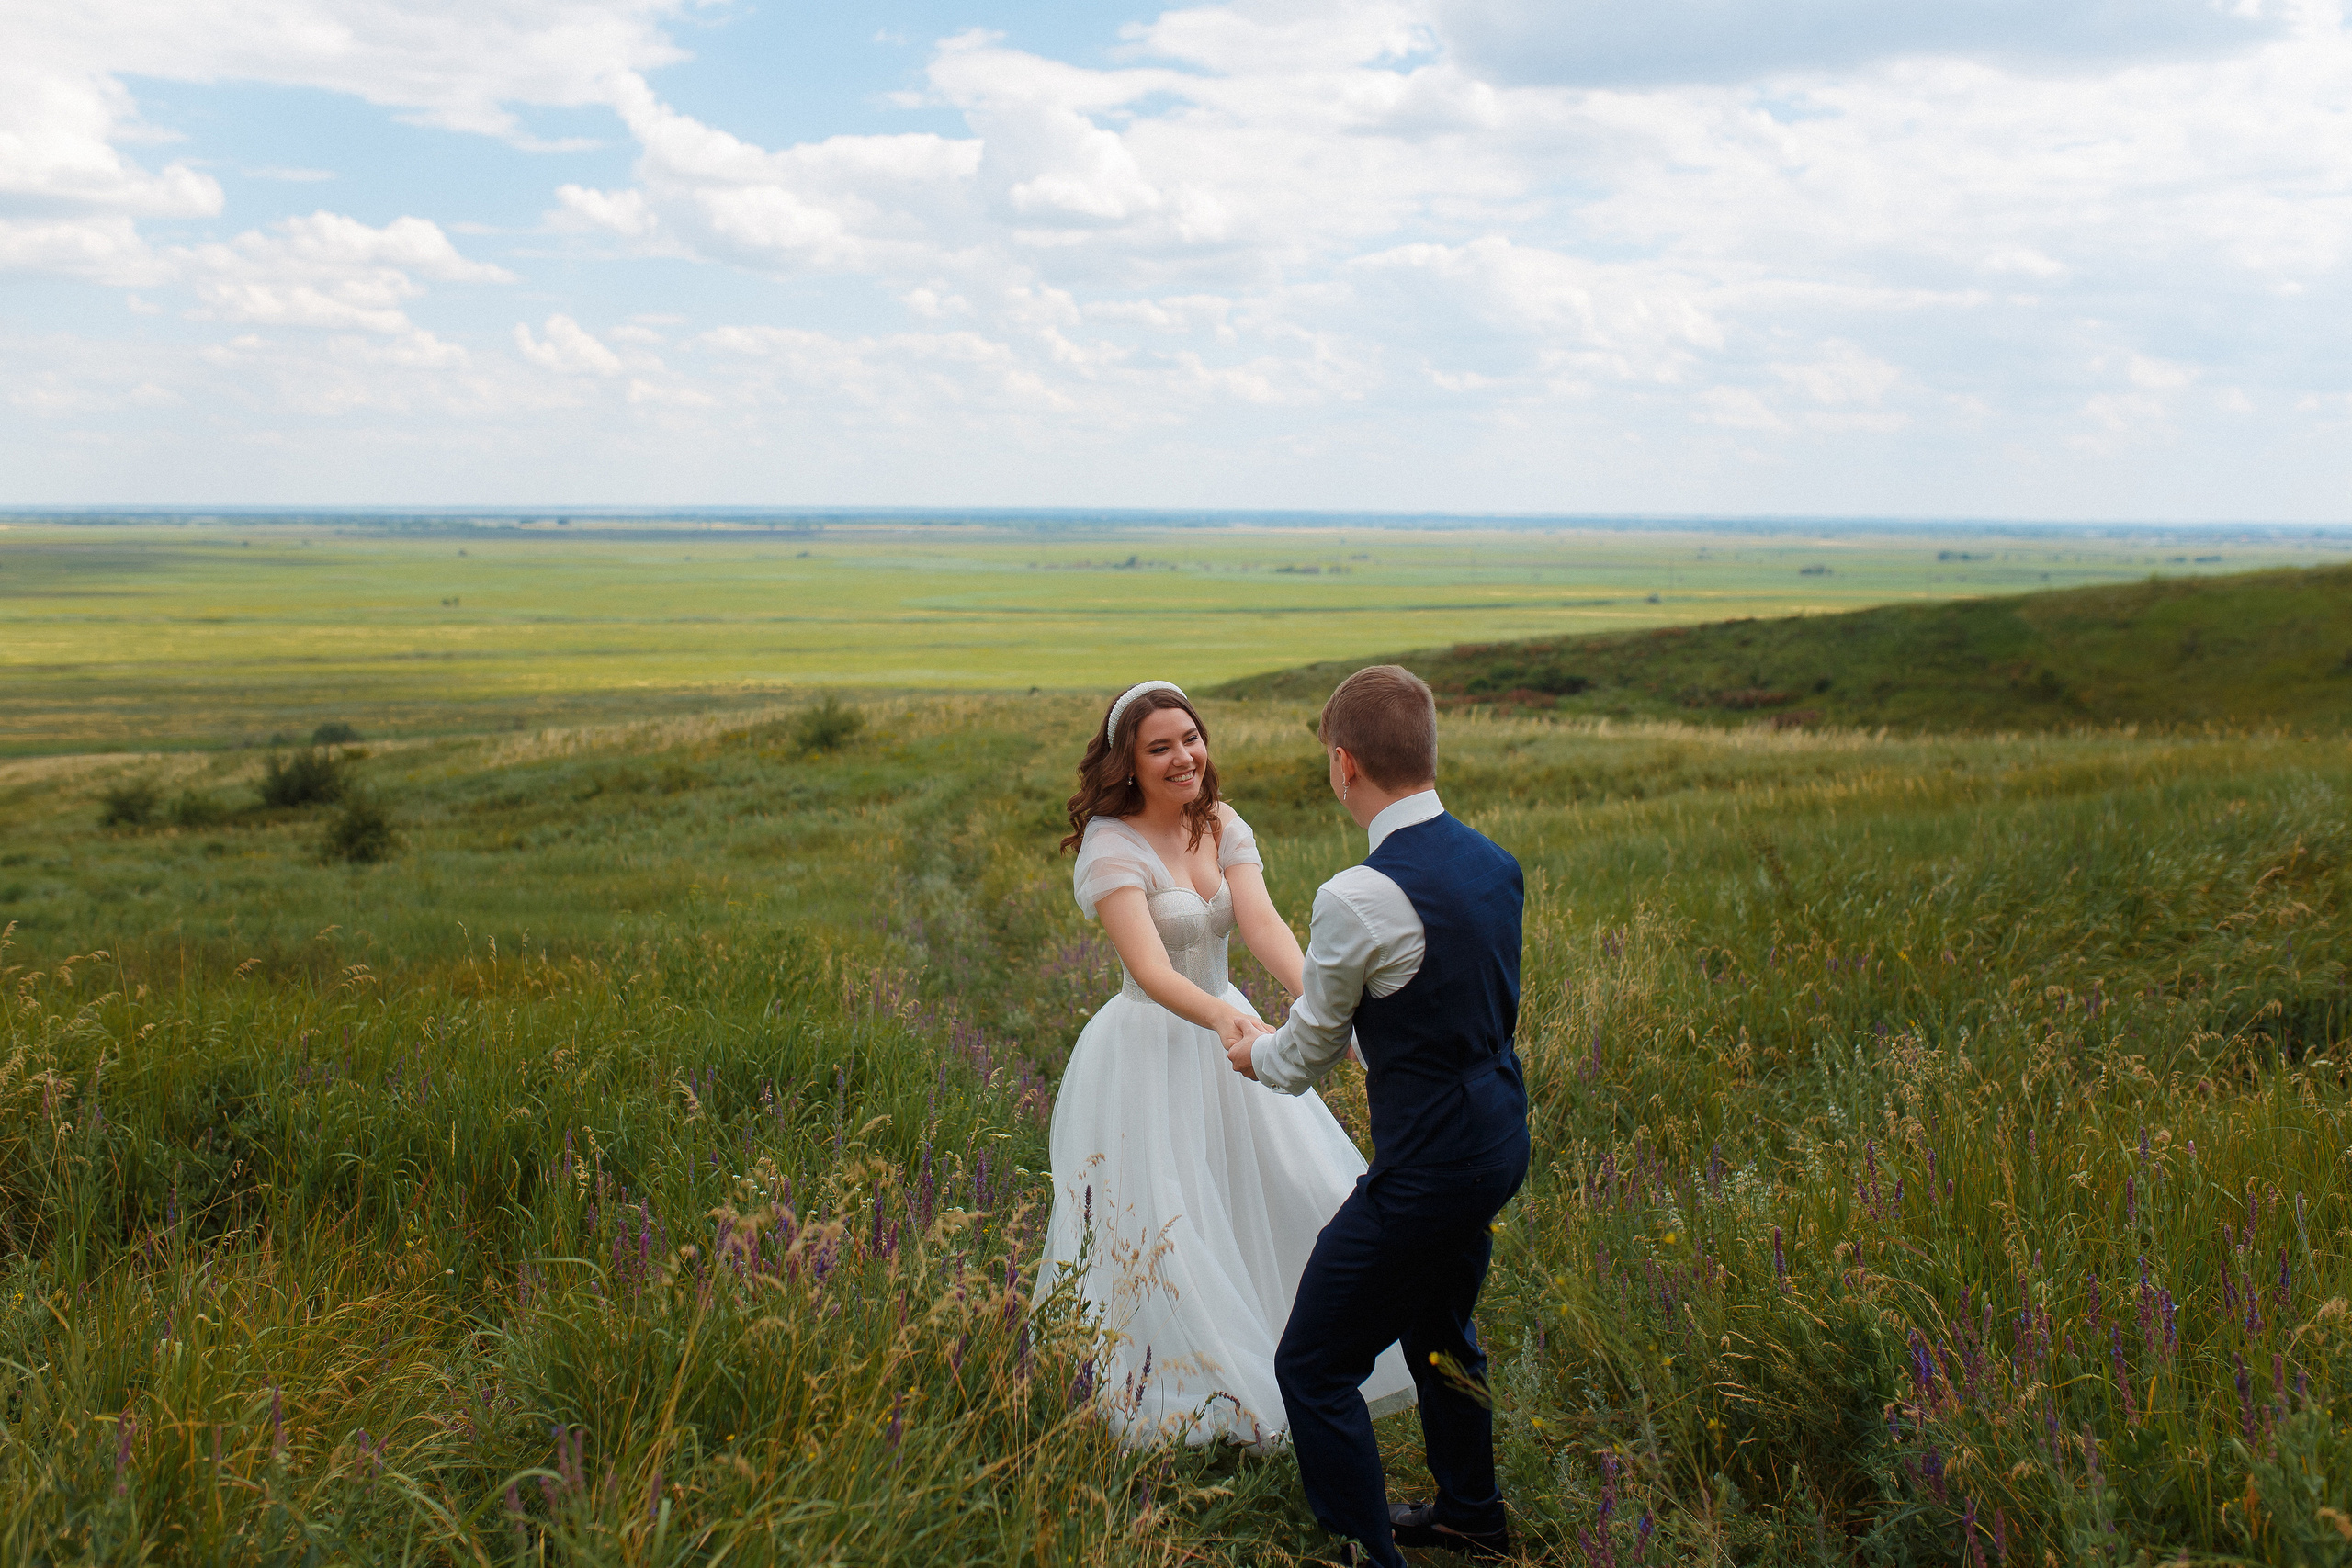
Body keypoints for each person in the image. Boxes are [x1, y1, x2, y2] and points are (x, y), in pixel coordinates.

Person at [1035, 680, 1415, 1449]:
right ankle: (1195, 1390)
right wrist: (1222, 1015)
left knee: (1292, 1183)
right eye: (1160, 747)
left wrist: (1325, 999)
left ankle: (1304, 1352)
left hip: (1230, 1029)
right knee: (1173, 1214)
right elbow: (1149, 968)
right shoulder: (1113, 844)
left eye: (1191, 738)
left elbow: (1264, 923)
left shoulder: (1221, 821)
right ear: (1128, 765)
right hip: (1152, 1042)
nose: (1184, 757)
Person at [1227, 665, 1529, 1566]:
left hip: (1427, 1164)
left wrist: (1249, 1051)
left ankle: (1365, 1551)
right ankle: (1472, 1517)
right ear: (1429, 750)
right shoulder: (1493, 865)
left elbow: (1301, 1059)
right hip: (1496, 1140)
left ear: (1342, 762)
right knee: (1440, 1330)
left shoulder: (1355, 896)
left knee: (1313, 1366)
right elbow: (1435, 1009)